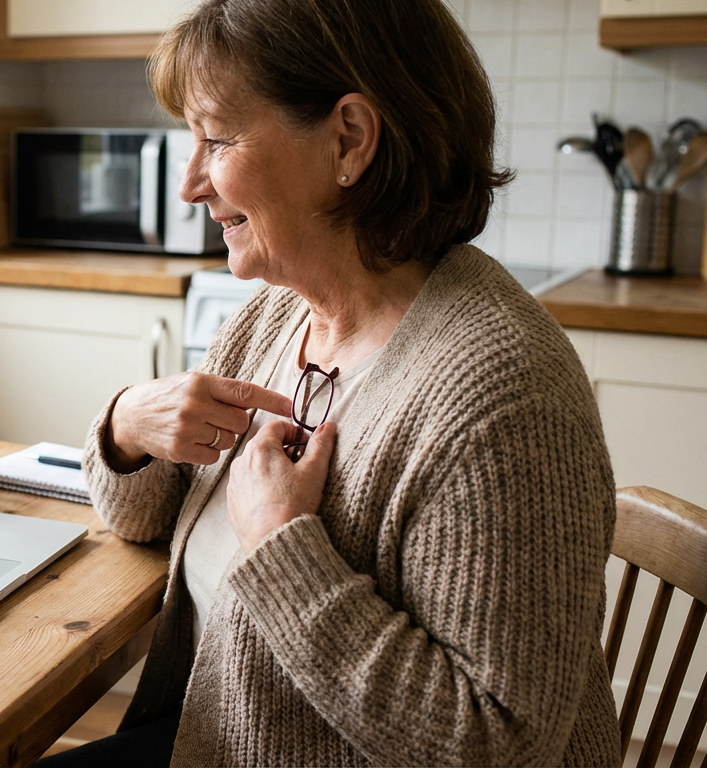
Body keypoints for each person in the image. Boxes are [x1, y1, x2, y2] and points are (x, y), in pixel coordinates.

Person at [59, 1, 622, 766]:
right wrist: (128, 428)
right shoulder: (274, 315)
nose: (192, 183)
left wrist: (283, 548)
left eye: (217, 140)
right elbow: (140, 521)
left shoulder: (506, 398)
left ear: (349, 140)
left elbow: (496, 745)